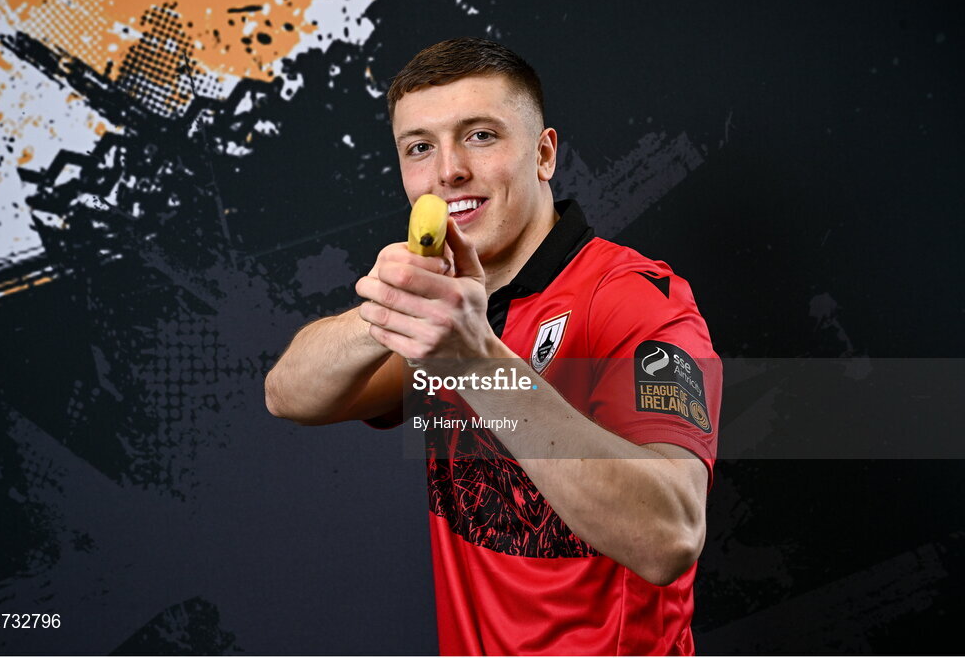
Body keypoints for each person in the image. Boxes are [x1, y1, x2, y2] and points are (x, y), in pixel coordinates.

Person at [265, 37, 721, 656]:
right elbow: (287, 394)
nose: (448, 170)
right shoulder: (444, 307)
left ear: (544, 154)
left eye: (480, 135)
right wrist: (388, 307)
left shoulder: (636, 298)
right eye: (420, 147)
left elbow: (670, 537)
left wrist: (475, 362)